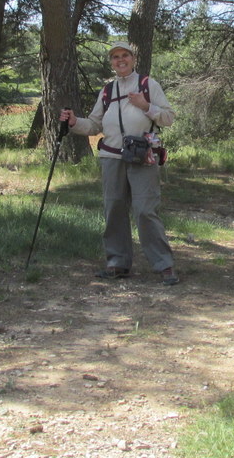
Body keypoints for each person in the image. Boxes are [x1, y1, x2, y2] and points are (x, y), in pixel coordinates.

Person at [61, 41, 179, 286]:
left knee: (145, 210)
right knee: (114, 209)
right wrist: (73, 122)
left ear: (133, 59)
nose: (120, 60)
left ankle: (164, 265)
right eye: (115, 57)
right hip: (111, 157)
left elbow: (168, 118)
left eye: (125, 55)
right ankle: (117, 263)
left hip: (142, 157)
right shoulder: (107, 91)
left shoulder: (148, 85)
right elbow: (94, 124)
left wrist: (146, 106)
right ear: (111, 62)